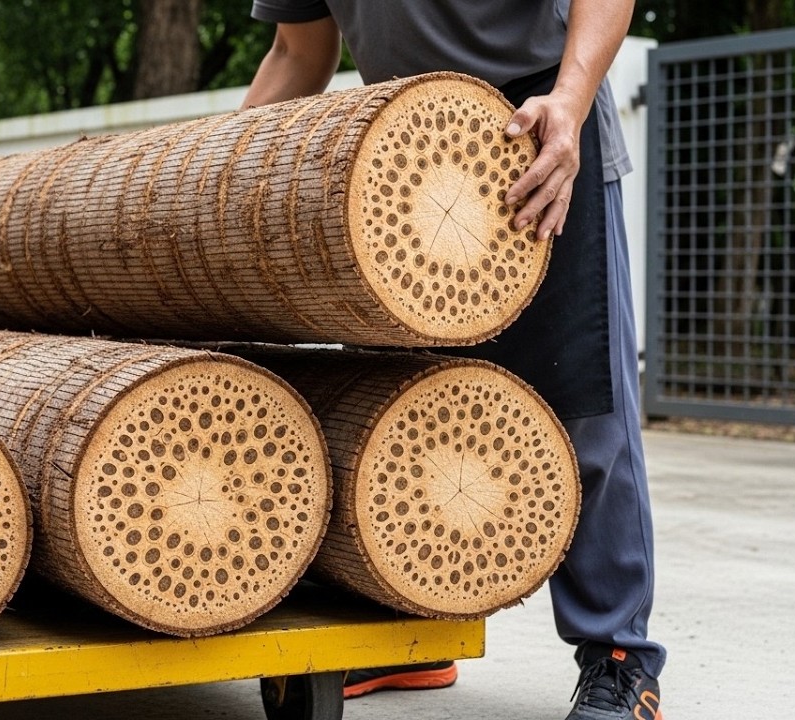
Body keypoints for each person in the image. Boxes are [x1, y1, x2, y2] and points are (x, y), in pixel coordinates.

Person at [241, 2, 665, 719]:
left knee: (582, 405)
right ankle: (417, 633)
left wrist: (572, 96)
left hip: (539, 114)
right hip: (406, 136)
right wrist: (215, 165)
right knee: (405, 408)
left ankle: (621, 659)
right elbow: (296, 52)